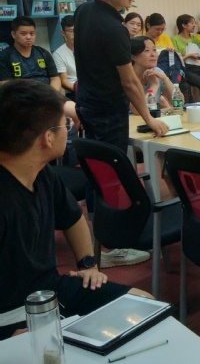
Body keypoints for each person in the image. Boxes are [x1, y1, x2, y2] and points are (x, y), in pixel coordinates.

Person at [0, 80, 152, 340]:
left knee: (145, 305)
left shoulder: (42, 173)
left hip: (48, 291)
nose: (69, 130)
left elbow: (72, 219)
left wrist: (88, 265)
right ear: (47, 138)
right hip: (8, 314)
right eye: (66, 125)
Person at [74, 0, 168, 148]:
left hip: (85, 102)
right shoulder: (115, 28)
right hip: (108, 111)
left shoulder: (83, 10)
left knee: (95, 159)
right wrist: (149, 118)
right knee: (111, 163)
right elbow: (129, 81)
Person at [0, 16, 60, 90]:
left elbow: (55, 78)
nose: (29, 37)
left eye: (32, 33)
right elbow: (5, 84)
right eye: (23, 34)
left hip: (46, 93)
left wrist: (51, 94)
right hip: (20, 94)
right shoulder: (5, 56)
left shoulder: (43, 53)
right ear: (13, 34)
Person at [172, 13, 200, 102]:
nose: (194, 25)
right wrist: (189, 55)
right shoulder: (175, 39)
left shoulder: (193, 37)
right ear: (184, 25)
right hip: (185, 68)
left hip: (197, 67)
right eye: (192, 23)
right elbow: (177, 59)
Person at [130, 36, 175, 110]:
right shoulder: (127, 76)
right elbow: (137, 110)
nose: (153, 55)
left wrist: (165, 79)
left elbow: (179, 102)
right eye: (147, 51)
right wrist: (154, 85)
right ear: (134, 57)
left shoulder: (157, 72)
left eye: (154, 50)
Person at [52, 16, 77, 100]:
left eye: (76, 30)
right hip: (74, 91)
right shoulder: (58, 54)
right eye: (70, 31)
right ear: (63, 33)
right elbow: (64, 82)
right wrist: (81, 90)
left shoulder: (88, 48)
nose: (74, 33)